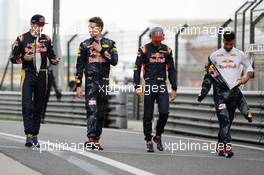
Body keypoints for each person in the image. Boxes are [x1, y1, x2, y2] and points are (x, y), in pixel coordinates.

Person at [197, 31, 254, 158]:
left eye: (230, 43)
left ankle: (220, 146)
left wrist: (246, 77)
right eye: (226, 43)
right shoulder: (214, 56)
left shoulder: (240, 54)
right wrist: (203, 93)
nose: (228, 46)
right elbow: (208, 77)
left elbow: (249, 68)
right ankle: (228, 147)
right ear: (223, 40)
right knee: (225, 120)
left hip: (233, 93)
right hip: (219, 95)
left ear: (233, 41)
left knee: (227, 122)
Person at [10, 14, 60, 147]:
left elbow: (52, 56)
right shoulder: (22, 38)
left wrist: (54, 61)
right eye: (39, 25)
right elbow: (13, 58)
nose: (41, 28)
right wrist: (22, 58)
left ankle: (35, 134)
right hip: (27, 74)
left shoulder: (47, 39)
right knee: (27, 105)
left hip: (43, 75)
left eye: (43, 25)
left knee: (38, 107)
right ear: (32, 25)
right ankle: (28, 135)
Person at [75, 17, 118, 150]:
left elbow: (114, 61)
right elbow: (79, 67)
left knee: (101, 112)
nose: (91, 30)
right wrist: (78, 86)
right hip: (90, 83)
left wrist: (101, 50)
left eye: (94, 27)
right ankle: (90, 138)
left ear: (100, 28)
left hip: (104, 83)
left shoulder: (110, 44)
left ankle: (97, 139)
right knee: (91, 110)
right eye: (90, 27)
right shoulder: (84, 45)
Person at [133, 27, 177, 152]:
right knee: (148, 115)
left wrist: (174, 87)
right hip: (148, 84)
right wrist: (137, 86)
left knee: (164, 112)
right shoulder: (144, 49)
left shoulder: (167, 50)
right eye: (155, 40)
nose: (158, 42)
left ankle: (158, 135)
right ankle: (148, 139)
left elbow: (171, 70)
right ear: (151, 38)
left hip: (162, 84)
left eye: (160, 40)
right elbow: (136, 69)